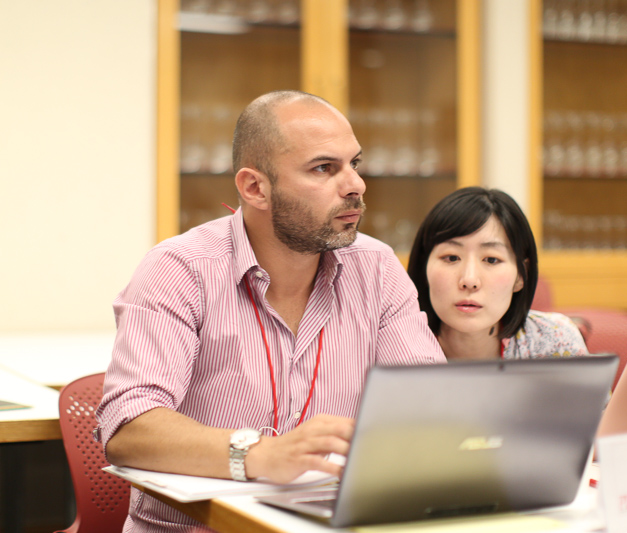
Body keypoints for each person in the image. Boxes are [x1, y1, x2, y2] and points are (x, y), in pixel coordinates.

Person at [96, 90, 445, 532]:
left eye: (354, 164)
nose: (355, 185)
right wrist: (260, 455)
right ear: (254, 187)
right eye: (324, 168)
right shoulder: (181, 269)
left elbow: (430, 408)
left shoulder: (376, 268)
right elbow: (130, 429)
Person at [407, 187, 588, 360]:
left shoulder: (555, 342)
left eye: (491, 260)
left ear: (520, 275)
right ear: (424, 268)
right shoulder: (392, 347)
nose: (469, 280)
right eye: (452, 258)